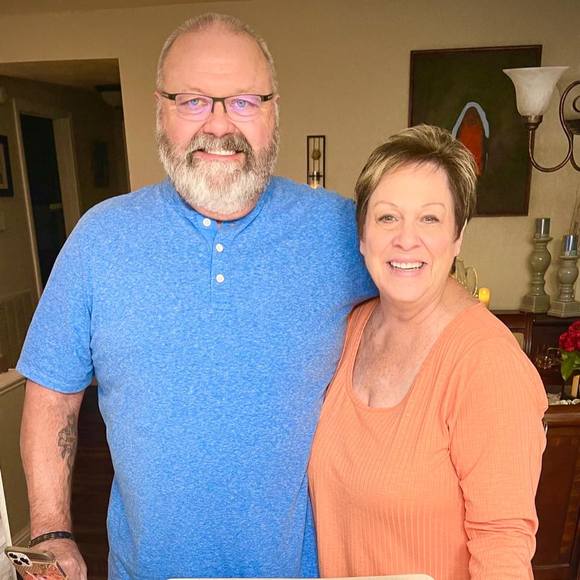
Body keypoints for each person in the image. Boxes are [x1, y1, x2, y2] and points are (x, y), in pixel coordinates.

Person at [17, 13, 374, 580]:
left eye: (244, 101)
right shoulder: (101, 239)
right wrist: (51, 531)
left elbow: (427, 307)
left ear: (274, 111)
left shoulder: (340, 232)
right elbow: (52, 395)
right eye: (193, 101)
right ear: (160, 109)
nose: (219, 124)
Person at [308, 125, 547, 580]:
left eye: (430, 219)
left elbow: (503, 547)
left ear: (457, 237)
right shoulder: (349, 328)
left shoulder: (488, 364)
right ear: (362, 236)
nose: (406, 239)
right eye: (387, 217)